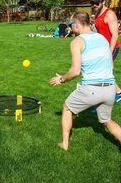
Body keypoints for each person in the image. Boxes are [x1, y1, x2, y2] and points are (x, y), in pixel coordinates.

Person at [50, 12, 121, 151]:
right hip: (110, 89)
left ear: (77, 24)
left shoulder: (77, 41)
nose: (70, 28)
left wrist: (61, 79)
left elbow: (75, 71)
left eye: (71, 25)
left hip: (91, 89)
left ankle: (64, 144)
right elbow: (110, 63)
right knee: (107, 121)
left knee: (67, 108)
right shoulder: (102, 38)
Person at [90, 0, 121, 102]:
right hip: (102, 48)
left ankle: (114, 94)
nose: (94, 5)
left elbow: (115, 35)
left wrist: (109, 52)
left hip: (111, 48)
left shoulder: (110, 14)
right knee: (102, 71)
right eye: (92, 3)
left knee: (103, 72)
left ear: (103, 2)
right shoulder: (98, 13)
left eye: (96, 3)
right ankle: (117, 92)